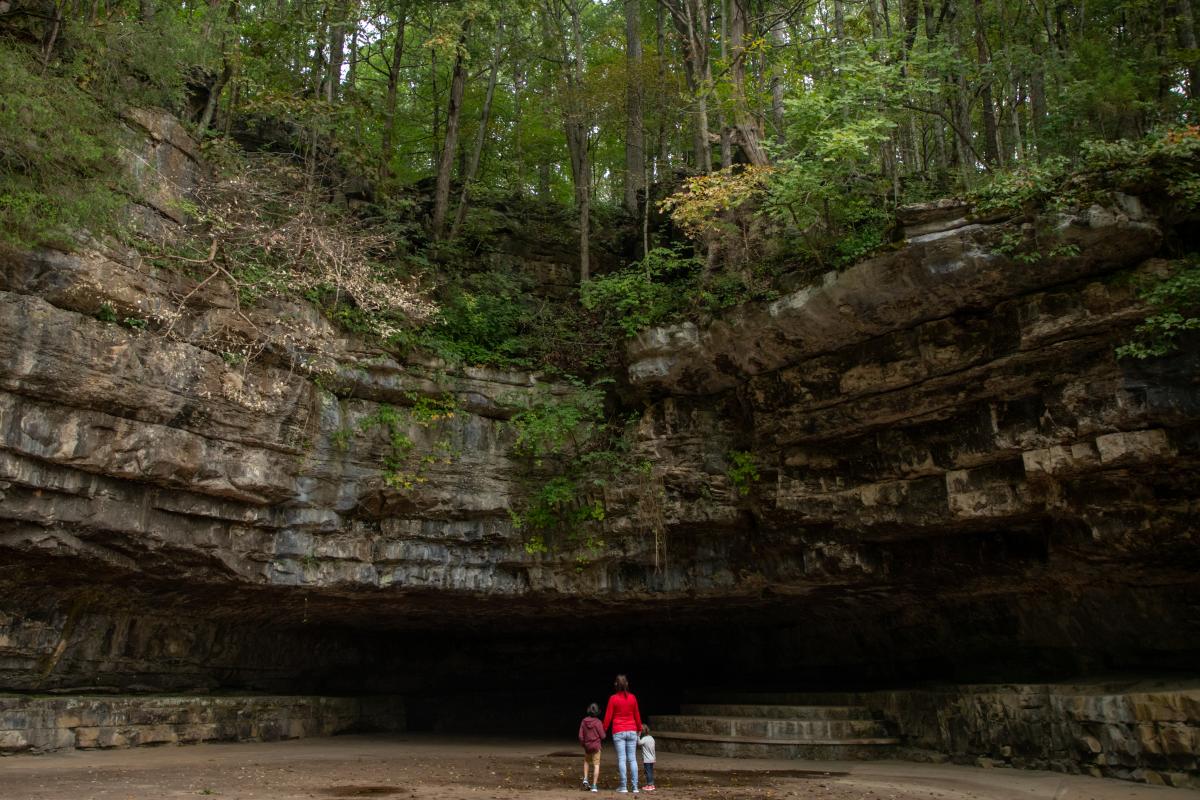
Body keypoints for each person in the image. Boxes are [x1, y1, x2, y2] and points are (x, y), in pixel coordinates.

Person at [602, 674, 642, 794]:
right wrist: (639, 727)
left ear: (616, 685)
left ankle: (623, 786)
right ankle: (635, 787)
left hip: (618, 731)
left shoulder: (613, 698)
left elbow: (608, 717)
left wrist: (603, 729)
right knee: (633, 759)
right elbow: (637, 714)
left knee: (622, 759)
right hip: (632, 730)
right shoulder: (633, 698)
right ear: (627, 684)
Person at [578, 702, 605, 792]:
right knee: (596, 765)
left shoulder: (583, 721)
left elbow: (580, 736)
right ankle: (594, 786)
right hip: (596, 747)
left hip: (587, 747)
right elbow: (603, 736)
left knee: (586, 761)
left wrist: (583, 744)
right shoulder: (598, 722)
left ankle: (585, 779)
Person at [639, 723, 656, 791]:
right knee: (650, 772)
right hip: (652, 759)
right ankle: (651, 784)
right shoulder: (652, 738)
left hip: (647, 759)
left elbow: (639, 743)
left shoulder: (644, 739)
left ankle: (650, 785)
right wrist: (654, 758)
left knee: (648, 772)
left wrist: (638, 735)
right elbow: (653, 749)